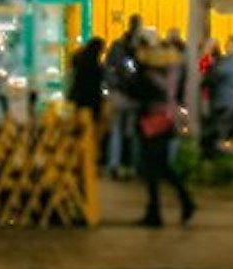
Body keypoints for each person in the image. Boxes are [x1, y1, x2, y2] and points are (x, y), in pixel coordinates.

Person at [127, 30, 196, 227]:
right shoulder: (169, 71)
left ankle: (161, 210)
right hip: (166, 121)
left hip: (151, 123)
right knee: (162, 167)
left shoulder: (147, 73)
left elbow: (135, 92)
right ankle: (175, 205)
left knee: (154, 169)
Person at [103, 15, 143, 177]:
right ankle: (134, 165)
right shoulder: (140, 46)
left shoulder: (117, 46)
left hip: (118, 94)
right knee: (133, 131)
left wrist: (113, 86)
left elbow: (108, 68)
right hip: (134, 95)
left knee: (116, 130)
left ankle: (114, 163)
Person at [68, 36, 107, 122]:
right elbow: (99, 81)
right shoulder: (95, 65)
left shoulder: (79, 57)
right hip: (89, 101)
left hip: (76, 97)